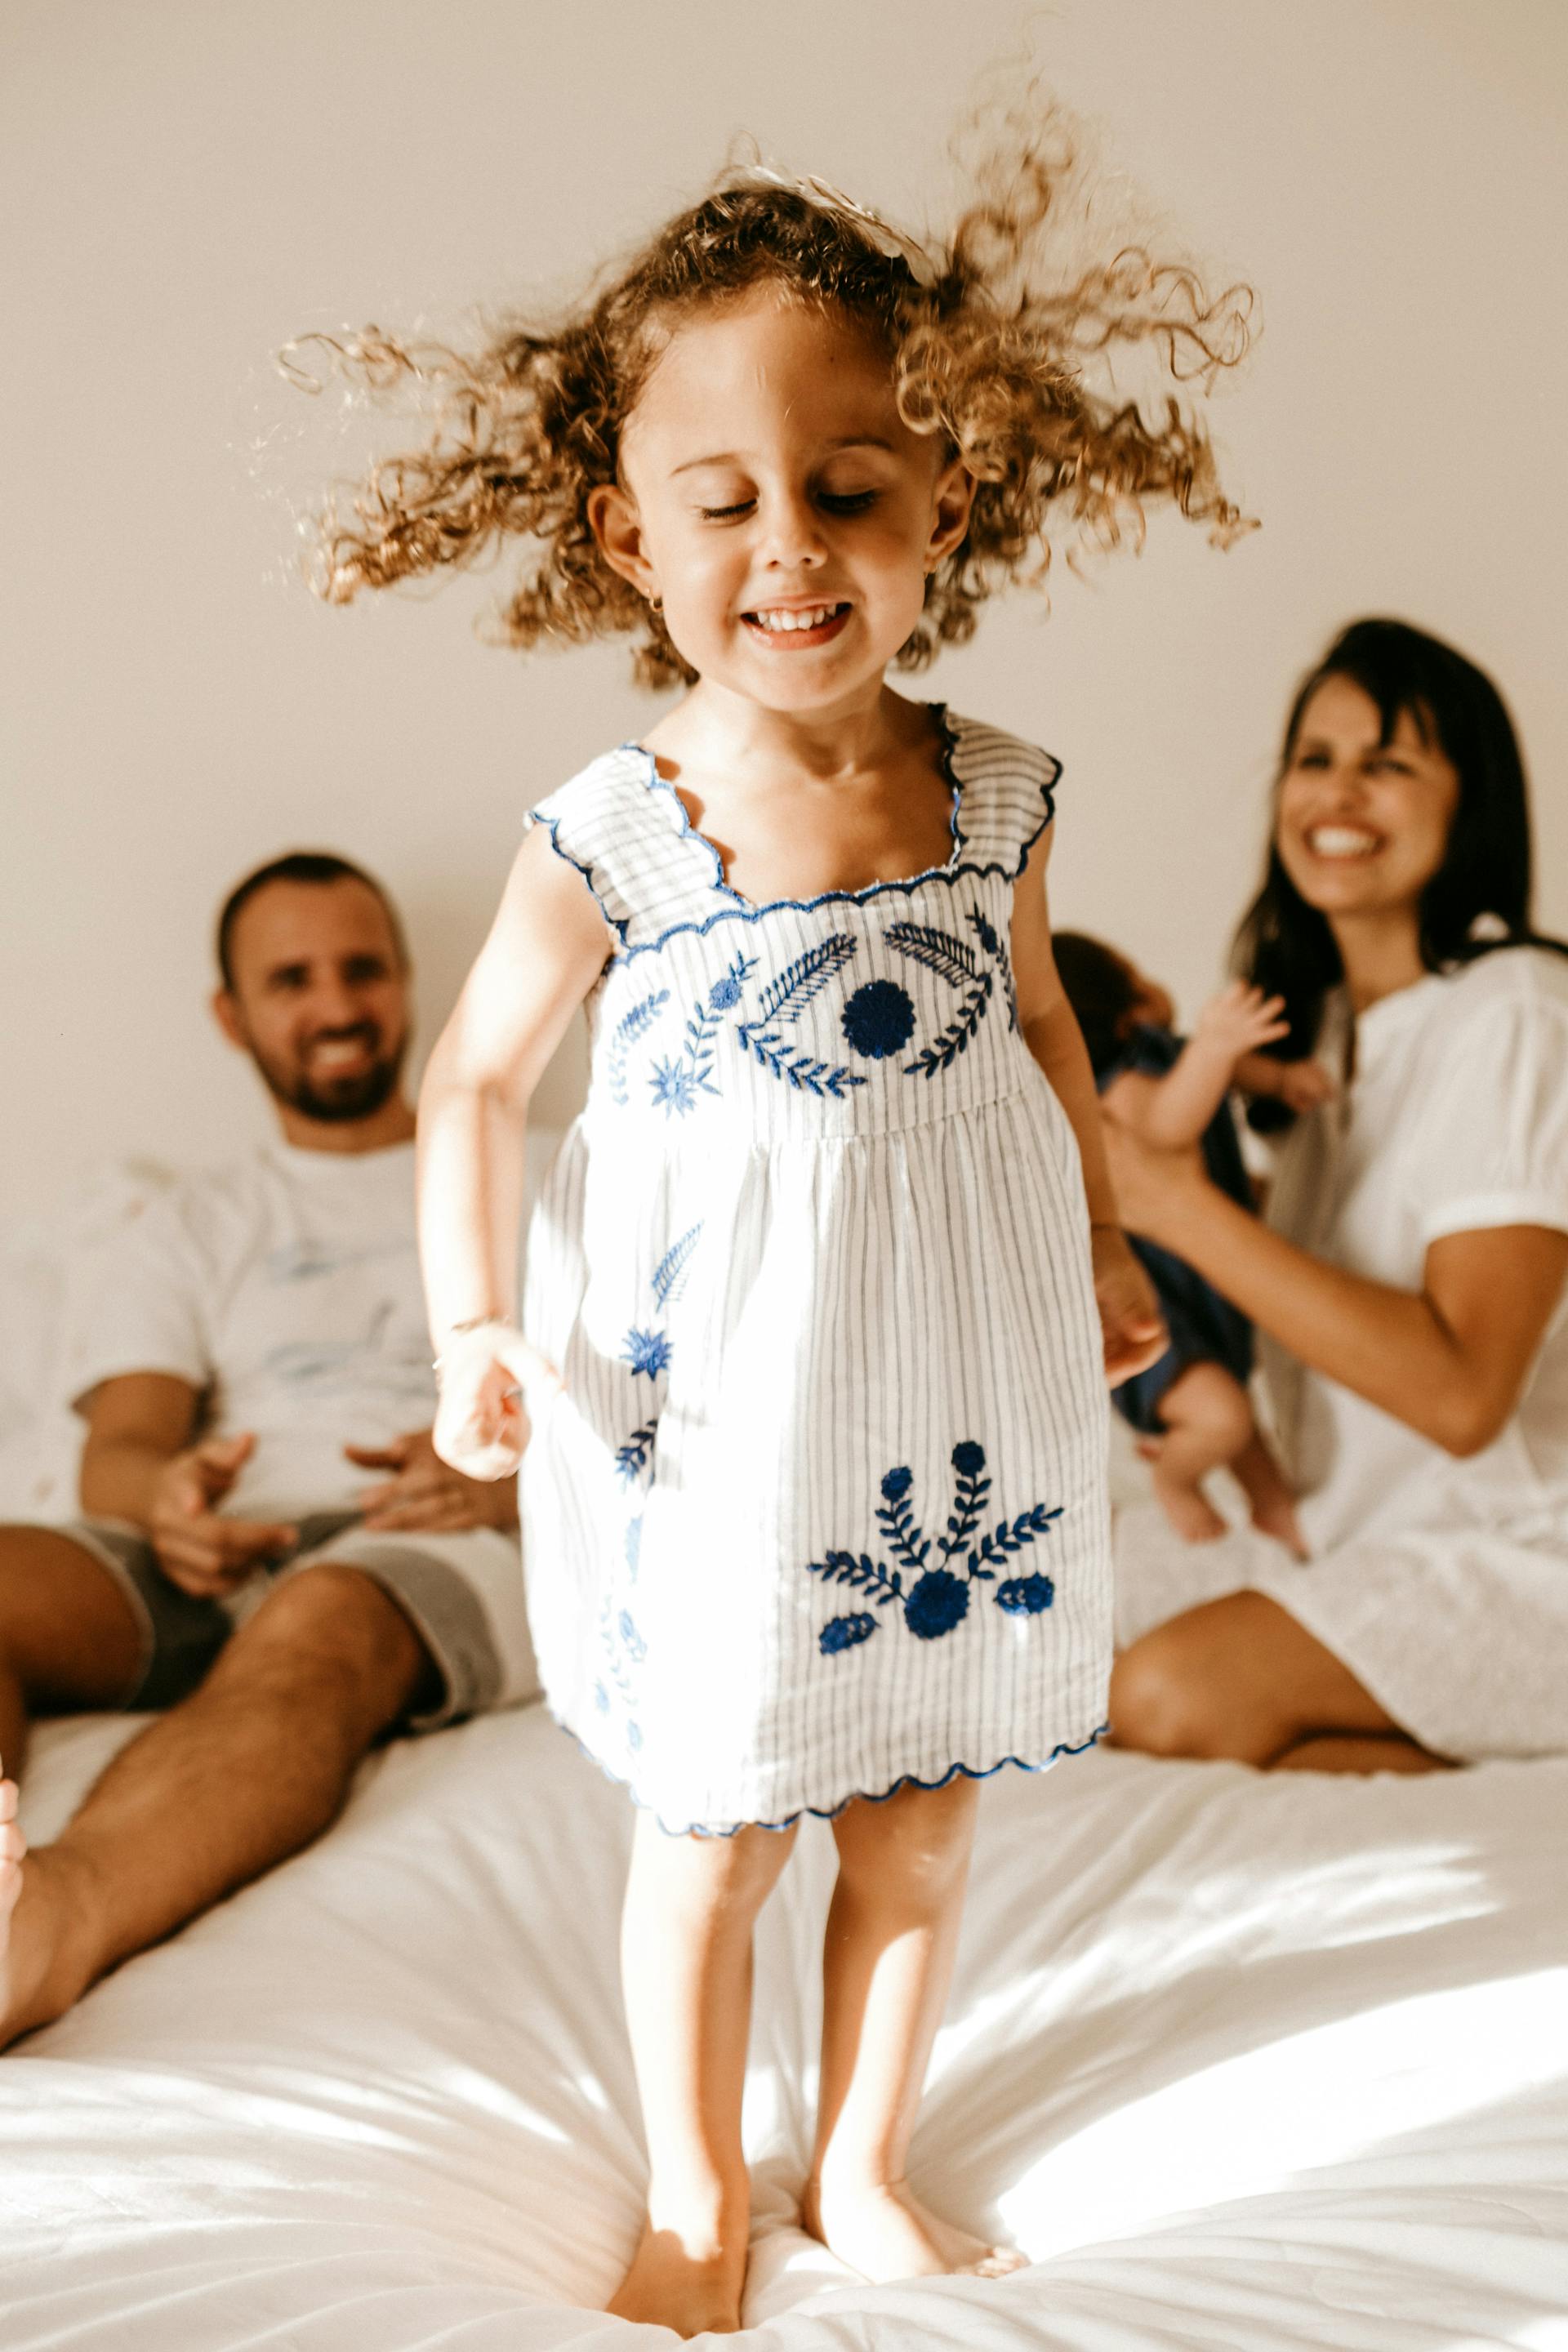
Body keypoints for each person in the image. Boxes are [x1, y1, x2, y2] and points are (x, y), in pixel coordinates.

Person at [310, 136, 1251, 2334]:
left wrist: (1106, 1259)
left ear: (952, 503)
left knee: (919, 1815)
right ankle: (690, 2176)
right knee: (723, 1827)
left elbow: (1034, 1038)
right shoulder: (621, 828)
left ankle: (859, 2155)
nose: (791, 546)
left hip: (952, 1389)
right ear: (630, 533)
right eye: (722, 500)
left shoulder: (1001, 794)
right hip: (721, 1407)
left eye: (850, 484)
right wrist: (470, 1322)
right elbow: (473, 1083)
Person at [0, 853, 535, 2051]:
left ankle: (47, 1933)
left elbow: (658, 1406)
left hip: (430, 1537)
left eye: (362, 970)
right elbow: (121, 1453)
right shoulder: (197, 1221)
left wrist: (512, 1470)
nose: (336, 1006)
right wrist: (171, 1499)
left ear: (406, 985)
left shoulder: (539, 1174)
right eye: (292, 980)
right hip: (220, 1549)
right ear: (232, 1015)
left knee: (321, 1622)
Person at [1103, 618, 1568, 1775]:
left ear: (1472, 803)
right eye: (1315, 759)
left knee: (1164, 1696)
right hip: (1362, 1539)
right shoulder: (1330, 1050)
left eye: (1389, 762)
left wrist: (1173, 1205)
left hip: (1525, 1556)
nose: (1339, 792)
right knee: (1039, 1628)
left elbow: (1464, 1394)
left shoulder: (1513, 1012)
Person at [1053, 933, 1329, 1552]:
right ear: (1121, 1006)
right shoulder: (1119, 1083)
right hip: (1161, 1302)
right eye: (1132, 971)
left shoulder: (1169, 1052)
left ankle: (1280, 1514)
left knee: (1242, 1420)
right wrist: (1217, 1043)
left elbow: (1228, 1072)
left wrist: (1279, 1078)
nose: (1151, 982)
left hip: (1203, 1283)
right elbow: (1168, 1123)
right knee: (1223, 1415)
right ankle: (1174, 1477)